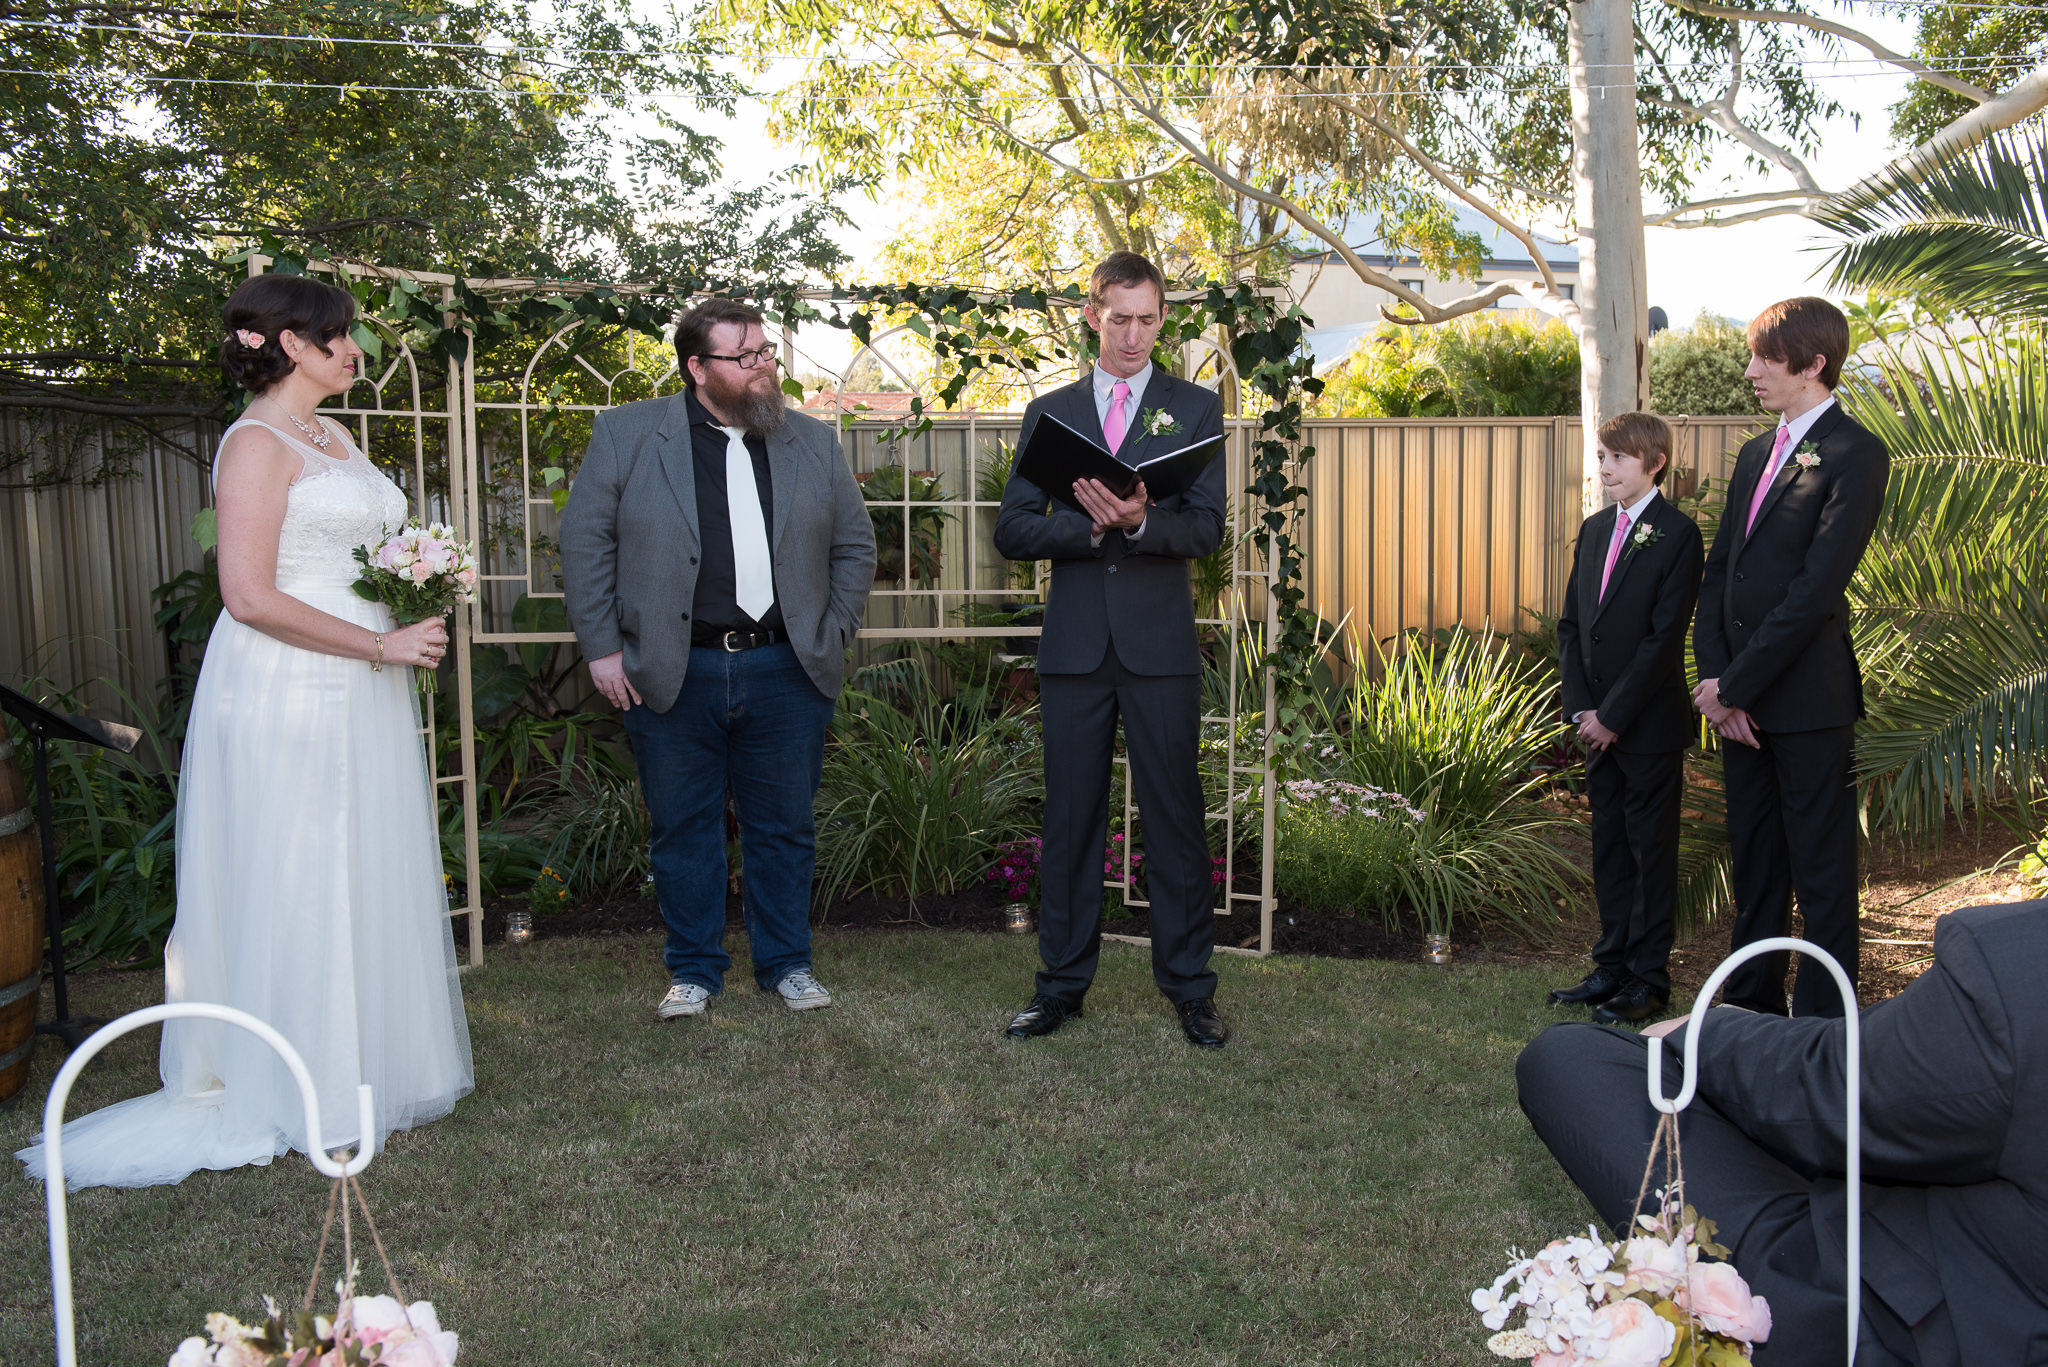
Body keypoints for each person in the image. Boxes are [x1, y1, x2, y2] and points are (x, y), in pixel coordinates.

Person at [18, 273, 472, 1189]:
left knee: (358, 861)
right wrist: (379, 642)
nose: (354, 350)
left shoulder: (334, 435)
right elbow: (250, 595)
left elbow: (355, 550)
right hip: (289, 682)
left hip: (361, 677)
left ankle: (373, 1060)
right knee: (297, 865)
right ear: (288, 345)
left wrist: (413, 587)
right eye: (337, 336)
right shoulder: (255, 445)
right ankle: (287, 1078)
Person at [1517, 898, 2048, 1365]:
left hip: (1914, 1321)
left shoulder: (2021, 970)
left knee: (1570, 1059)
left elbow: (1826, 1085)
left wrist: (1705, 1031)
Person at [559, 298, 874, 1022]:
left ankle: (787, 963)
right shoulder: (629, 434)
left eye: (765, 351)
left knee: (784, 827)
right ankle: (695, 970)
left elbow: (855, 547)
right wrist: (604, 648)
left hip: (787, 669)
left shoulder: (811, 442)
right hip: (674, 669)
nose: (764, 365)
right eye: (745, 356)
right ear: (698, 368)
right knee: (682, 826)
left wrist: (828, 632)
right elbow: (585, 547)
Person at [993, 251, 1230, 1049]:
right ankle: (1059, 985)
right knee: (1069, 823)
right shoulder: (1050, 411)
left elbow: (1205, 528)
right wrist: (1088, 524)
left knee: (1175, 821)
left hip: (1161, 648)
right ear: (1092, 315)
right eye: (1119, 317)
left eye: (1148, 318)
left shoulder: (1194, 407)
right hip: (1075, 650)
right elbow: (1012, 527)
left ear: (1164, 318)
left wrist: (1141, 523)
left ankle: (1192, 989)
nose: (1133, 335)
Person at [1692, 297, 1889, 1018]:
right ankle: (1750, 1008)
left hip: (1807, 704)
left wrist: (1738, 686)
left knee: (1823, 870)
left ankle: (1822, 1026)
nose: (1750, 372)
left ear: (1813, 364)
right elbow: (1721, 575)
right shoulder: (1752, 453)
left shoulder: (1856, 454)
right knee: (1757, 864)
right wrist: (1716, 683)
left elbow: (1814, 591)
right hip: (1738, 705)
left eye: (1766, 359)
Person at [1550, 413, 1704, 1024]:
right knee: (1609, 847)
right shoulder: (1593, 532)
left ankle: (1649, 979)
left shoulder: (1678, 535)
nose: (1605, 468)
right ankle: (1610, 965)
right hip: (1597, 728)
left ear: (1654, 463)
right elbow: (1571, 628)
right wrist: (1584, 709)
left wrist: (1613, 716)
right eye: (1602, 457)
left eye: (1617, 458)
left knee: (1649, 852)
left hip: (1647, 728)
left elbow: (1663, 641)